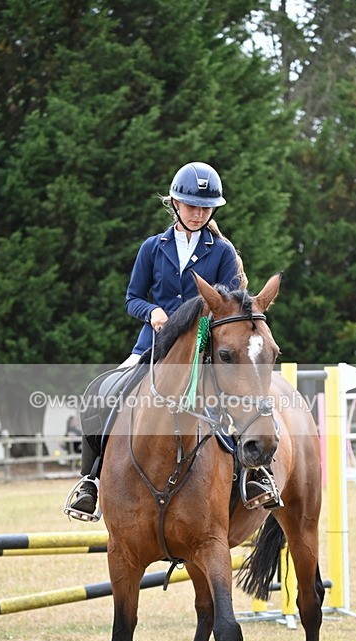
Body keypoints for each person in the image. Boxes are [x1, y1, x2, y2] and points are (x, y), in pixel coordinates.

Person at [64, 162, 248, 522]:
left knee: (242, 397)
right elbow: (132, 297)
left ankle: (256, 476)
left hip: (204, 351)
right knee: (101, 392)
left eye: (205, 207)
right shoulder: (152, 247)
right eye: (191, 205)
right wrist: (151, 313)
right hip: (153, 345)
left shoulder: (223, 252)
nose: (198, 213)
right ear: (175, 204)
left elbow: (231, 303)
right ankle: (90, 481)